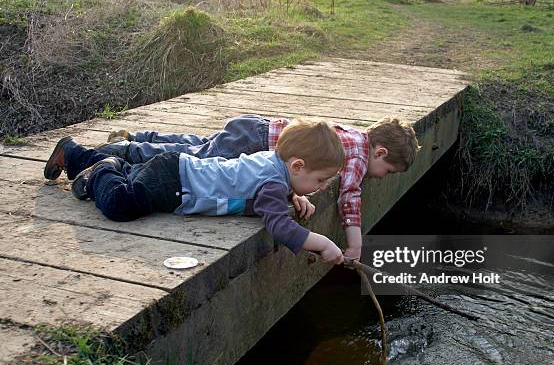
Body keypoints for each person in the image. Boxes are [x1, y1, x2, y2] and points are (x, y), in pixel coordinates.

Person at [98, 114, 421, 260]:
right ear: (379, 153)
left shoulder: (354, 135)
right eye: (388, 170)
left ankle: (141, 139)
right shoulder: (358, 158)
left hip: (257, 128)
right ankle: (130, 152)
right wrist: (355, 244)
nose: (381, 176)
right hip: (258, 143)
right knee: (196, 155)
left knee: (201, 148)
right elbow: (349, 197)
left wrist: (291, 193)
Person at [43, 119, 346, 264]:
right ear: (297, 166)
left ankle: (73, 153)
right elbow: (278, 224)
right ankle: (104, 168)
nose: (320, 188)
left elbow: (270, 190)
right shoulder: (275, 184)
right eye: (319, 180)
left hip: (176, 172)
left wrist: (295, 195)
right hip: (173, 182)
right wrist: (321, 244)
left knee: (131, 182)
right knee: (120, 205)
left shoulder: (276, 168)